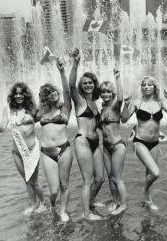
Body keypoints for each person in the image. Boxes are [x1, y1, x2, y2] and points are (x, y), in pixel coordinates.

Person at [0, 83, 45, 215]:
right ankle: (34, 204)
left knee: (34, 181)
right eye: (15, 93)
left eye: (21, 93)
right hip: (17, 150)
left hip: (32, 150)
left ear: (25, 94)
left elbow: (45, 118)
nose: (18, 96)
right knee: (26, 180)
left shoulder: (31, 108)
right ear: (12, 95)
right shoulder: (8, 109)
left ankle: (43, 203)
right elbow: (1, 128)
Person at [121, 76, 167, 210]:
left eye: (149, 85)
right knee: (155, 173)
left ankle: (147, 200)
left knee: (149, 173)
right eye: (144, 85)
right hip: (140, 141)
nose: (146, 87)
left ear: (154, 87)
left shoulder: (160, 102)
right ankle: (144, 191)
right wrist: (126, 104)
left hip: (155, 143)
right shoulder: (137, 102)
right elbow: (124, 119)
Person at [69, 48, 104, 220]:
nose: (88, 85)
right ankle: (87, 214)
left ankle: (90, 202)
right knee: (87, 181)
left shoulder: (95, 103)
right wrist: (75, 63)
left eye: (90, 82)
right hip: (82, 141)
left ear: (94, 84)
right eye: (85, 83)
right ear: (81, 86)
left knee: (100, 178)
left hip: (95, 142)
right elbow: (70, 85)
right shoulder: (79, 100)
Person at [37, 59, 72, 222]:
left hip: (64, 149)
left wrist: (62, 71)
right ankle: (52, 204)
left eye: (54, 91)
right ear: (45, 97)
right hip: (46, 152)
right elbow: (26, 118)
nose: (53, 93)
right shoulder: (41, 111)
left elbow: (66, 91)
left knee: (64, 184)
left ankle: (63, 211)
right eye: (49, 93)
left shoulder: (64, 109)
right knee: (54, 190)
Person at [100, 67, 127, 215]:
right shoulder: (102, 109)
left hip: (117, 146)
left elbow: (121, 98)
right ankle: (115, 200)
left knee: (117, 178)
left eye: (108, 91)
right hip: (105, 147)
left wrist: (117, 78)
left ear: (112, 93)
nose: (105, 94)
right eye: (103, 92)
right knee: (110, 176)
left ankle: (123, 204)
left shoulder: (115, 107)